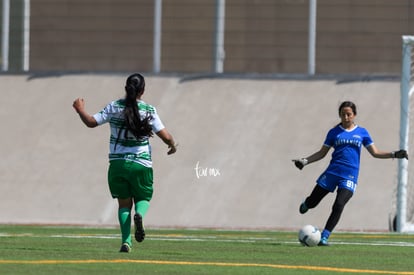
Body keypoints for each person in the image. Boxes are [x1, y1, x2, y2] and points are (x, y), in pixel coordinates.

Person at [72, 73, 177, 253]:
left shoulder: (114, 106)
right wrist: (172, 145)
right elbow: (165, 136)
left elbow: (91, 122)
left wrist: (80, 109)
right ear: (142, 90)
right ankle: (140, 215)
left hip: (118, 164)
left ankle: (126, 242)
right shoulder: (148, 110)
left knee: (123, 205)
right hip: (141, 164)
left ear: (126, 88)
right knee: (143, 198)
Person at [292, 101, 407, 246]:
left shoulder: (362, 133)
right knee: (314, 202)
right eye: (343, 114)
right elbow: (322, 153)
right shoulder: (334, 133)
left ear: (354, 115)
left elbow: (375, 153)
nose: (346, 117)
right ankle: (307, 203)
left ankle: (324, 236)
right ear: (339, 115)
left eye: (349, 114)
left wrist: (395, 154)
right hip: (332, 173)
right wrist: (305, 161)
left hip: (349, 176)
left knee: (339, 204)